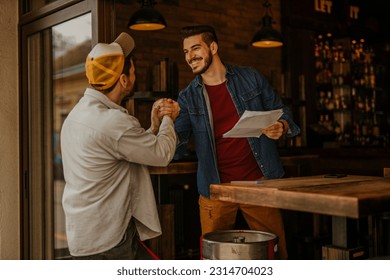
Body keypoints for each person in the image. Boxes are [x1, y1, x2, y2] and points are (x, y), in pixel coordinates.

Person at [174, 25, 300, 259]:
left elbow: (283, 111)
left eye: (195, 48)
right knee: (215, 260)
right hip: (216, 189)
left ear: (213, 47)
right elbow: (174, 147)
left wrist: (281, 126)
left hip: (259, 184)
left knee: (275, 254)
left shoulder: (250, 77)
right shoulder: (187, 96)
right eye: (185, 52)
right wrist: (163, 122)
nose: (189, 56)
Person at [60, 32, 180, 259]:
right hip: (109, 241)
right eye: (133, 70)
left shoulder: (78, 115)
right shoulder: (112, 122)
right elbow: (162, 153)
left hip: (85, 233)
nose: (135, 73)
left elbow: (119, 148)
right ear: (124, 80)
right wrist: (168, 118)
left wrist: (153, 127)